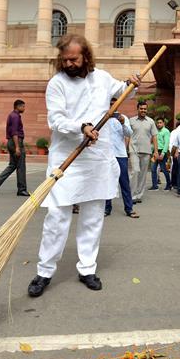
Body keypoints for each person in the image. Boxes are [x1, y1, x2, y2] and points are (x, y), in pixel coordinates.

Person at [27, 34, 140, 298]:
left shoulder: (101, 77)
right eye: (64, 60)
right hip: (66, 157)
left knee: (93, 216)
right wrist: (81, 127)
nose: (68, 64)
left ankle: (87, 268)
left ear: (85, 56)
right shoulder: (56, 84)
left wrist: (133, 84)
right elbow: (56, 119)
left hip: (97, 158)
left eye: (74, 59)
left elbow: (122, 90)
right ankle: (44, 271)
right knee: (57, 217)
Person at [103, 99, 139, 218]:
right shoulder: (103, 117)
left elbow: (129, 134)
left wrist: (123, 123)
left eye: (115, 102)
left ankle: (129, 208)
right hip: (107, 154)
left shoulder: (123, 117)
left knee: (124, 182)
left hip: (120, 154)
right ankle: (107, 208)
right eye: (110, 102)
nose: (112, 104)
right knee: (107, 181)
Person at [0, 100, 29, 197]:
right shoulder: (15, 116)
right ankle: (22, 189)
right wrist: (17, 147)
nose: (24, 108)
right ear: (17, 106)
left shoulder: (13, 115)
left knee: (12, 165)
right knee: (21, 166)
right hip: (16, 142)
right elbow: (15, 132)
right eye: (23, 106)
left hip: (11, 142)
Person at [128, 102, 156, 204]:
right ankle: (132, 195)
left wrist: (156, 151)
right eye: (141, 109)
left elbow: (154, 136)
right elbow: (127, 135)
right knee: (135, 172)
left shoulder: (151, 121)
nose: (143, 110)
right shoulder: (131, 121)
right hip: (134, 149)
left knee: (143, 174)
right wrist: (125, 148)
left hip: (146, 150)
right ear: (137, 109)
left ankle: (139, 195)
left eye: (145, 109)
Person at [150, 117, 171, 191]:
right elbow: (153, 143)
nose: (158, 124)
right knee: (153, 169)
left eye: (160, 123)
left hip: (162, 152)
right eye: (157, 123)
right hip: (155, 152)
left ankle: (169, 184)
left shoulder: (166, 131)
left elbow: (166, 143)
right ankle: (154, 185)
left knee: (164, 169)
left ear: (163, 123)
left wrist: (163, 153)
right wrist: (151, 151)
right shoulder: (155, 131)